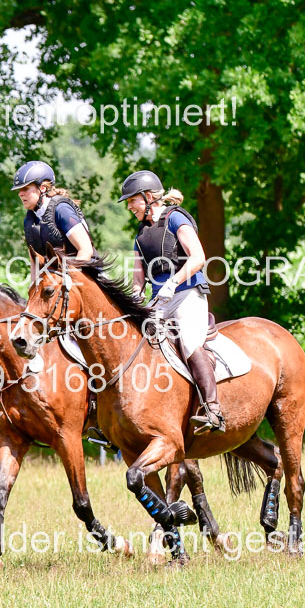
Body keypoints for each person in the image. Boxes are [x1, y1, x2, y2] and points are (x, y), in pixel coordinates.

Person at [118, 169, 225, 434]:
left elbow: (198, 257)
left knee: (188, 342)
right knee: (132, 342)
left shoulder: (176, 218)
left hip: (188, 293)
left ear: (148, 197)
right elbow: (138, 277)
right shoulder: (141, 235)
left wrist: (173, 282)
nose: (130, 207)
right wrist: (135, 296)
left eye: (132, 200)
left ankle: (213, 410)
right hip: (159, 301)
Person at [12, 160, 95, 283]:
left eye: (25, 188)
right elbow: (35, 263)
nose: (20, 194)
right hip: (56, 283)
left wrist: (69, 280)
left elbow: (85, 250)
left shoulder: (62, 210)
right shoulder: (30, 220)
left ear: (42, 188)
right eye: (19, 190)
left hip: (87, 276)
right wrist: (34, 287)